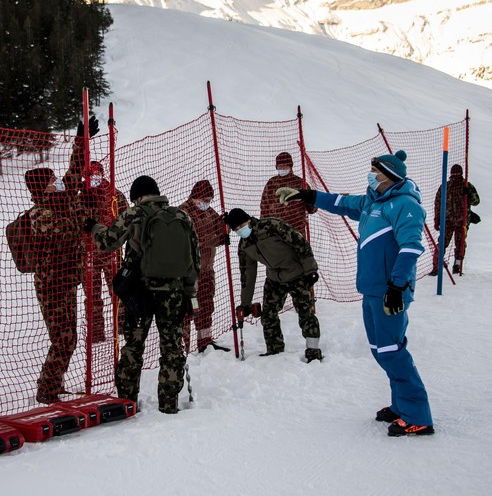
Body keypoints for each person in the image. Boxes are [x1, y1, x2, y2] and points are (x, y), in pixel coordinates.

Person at [277, 149, 434, 436]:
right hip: (372, 289)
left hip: (390, 291)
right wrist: (306, 195)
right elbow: (341, 202)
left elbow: (411, 247)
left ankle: (417, 415)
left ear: (390, 176)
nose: (371, 174)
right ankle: (401, 406)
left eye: (375, 171)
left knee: (392, 351)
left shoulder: (404, 205)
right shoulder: (373, 201)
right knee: (382, 350)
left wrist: (397, 286)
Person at [83, 175, 200, 414]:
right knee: (171, 347)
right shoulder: (182, 216)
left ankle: (127, 403)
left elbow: (107, 242)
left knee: (133, 347)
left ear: (137, 196)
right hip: (174, 294)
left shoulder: (133, 214)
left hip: (140, 293)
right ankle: (169, 404)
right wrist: (191, 295)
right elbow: (194, 260)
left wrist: (93, 226)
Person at [23, 115, 97, 404]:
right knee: (64, 340)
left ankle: (53, 383)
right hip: (51, 287)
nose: (59, 182)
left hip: (66, 283)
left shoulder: (60, 200)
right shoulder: (39, 215)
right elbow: (67, 228)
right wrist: (82, 214)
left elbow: (75, 170)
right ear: (44, 188)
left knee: (70, 338)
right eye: (53, 181)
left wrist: (82, 139)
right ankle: (47, 389)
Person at [222, 207, 323, 363]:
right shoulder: (244, 246)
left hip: (297, 273)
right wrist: (246, 304)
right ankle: (274, 349)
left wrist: (311, 270)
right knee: (268, 315)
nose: (240, 231)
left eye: (241, 226)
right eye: (236, 229)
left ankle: (313, 350)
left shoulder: (272, 226)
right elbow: (247, 275)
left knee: (305, 313)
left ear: (249, 220)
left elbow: (300, 242)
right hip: (275, 278)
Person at [79, 161, 129, 342]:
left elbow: (127, 217)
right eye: (91, 175)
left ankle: (123, 325)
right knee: (92, 296)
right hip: (89, 254)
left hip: (111, 252)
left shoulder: (114, 194)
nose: (95, 178)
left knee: (118, 290)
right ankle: (96, 332)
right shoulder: (81, 196)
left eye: (97, 174)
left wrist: (119, 236)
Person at [179, 180, 230, 352]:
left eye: (208, 200)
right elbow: (191, 241)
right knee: (187, 309)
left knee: (206, 306)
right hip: (188, 273)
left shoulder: (209, 212)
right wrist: (216, 240)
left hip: (207, 270)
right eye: (203, 199)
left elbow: (219, 227)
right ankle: (182, 347)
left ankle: (205, 341)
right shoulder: (183, 212)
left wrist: (225, 225)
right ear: (195, 196)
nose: (205, 203)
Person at [432, 164, 480, 275]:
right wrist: (437, 219)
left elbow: (476, 201)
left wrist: (469, 194)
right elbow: (438, 203)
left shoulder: (467, 186)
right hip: (447, 221)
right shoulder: (445, 186)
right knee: (442, 243)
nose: (455, 176)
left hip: (462, 221)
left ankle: (457, 265)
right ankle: (436, 266)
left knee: (460, 244)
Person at [260, 151, 310, 232]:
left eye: (285, 166)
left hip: (296, 232)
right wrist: (263, 228)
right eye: (280, 166)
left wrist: (309, 199)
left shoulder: (300, 184)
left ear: (290, 166)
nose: (282, 169)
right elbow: (264, 208)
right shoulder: (271, 184)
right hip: (275, 232)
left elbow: (312, 209)